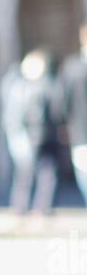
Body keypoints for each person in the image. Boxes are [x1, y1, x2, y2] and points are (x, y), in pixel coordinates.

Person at [0, 48, 63, 214]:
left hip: (43, 137)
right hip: (29, 137)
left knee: (44, 176)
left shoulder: (47, 86)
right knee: (27, 176)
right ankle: (22, 207)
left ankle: (39, 208)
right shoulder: (19, 88)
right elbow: (13, 116)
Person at [60, 23, 87, 205]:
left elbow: (62, 101)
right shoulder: (72, 68)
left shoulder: (71, 68)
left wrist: (63, 125)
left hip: (80, 134)